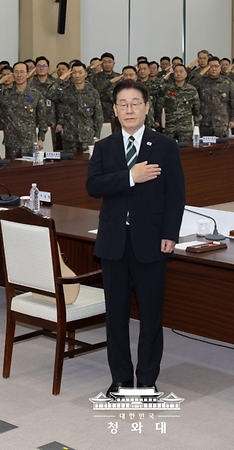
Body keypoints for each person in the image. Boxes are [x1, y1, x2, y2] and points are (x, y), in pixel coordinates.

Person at [86, 79, 186, 398]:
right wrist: (131, 177)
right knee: (115, 316)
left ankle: (146, 380)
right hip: (114, 242)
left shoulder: (165, 145)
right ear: (114, 111)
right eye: (123, 105)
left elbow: (176, 194)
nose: (130, 110)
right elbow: (94, 186)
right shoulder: (105, 147)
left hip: (152, 242)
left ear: (146, 107)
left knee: (150, 315)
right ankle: (119, 379)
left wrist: (170, 233)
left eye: (135, 103)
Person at [51, 61, 103, 152]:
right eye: (74, 73)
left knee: (89, 164)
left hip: (88, 137)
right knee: (70, 165)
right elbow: (50, 93)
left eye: (80, 72)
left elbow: (98, 115)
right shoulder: (64, 90)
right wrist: (61, 78)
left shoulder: (92, 92)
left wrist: (97, 136)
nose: (77, 76)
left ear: (86, 74)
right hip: (70, 138)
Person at [156, 63, 200, 141]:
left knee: (186, 151)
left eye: (181, 71)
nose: (178, 74)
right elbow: (156, 89)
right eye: (176, 72)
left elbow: (196, 110)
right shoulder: (167, 88)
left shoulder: (191, 90)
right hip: (170, 128)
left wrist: (196, 127)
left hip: (185, 129)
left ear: (186, 74)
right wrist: (164, 79)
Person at [196, 56, 234, 138]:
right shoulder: (201, 81)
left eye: (216, 66)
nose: (214, 69)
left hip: (221, 123)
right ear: (207, 68)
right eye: (211, 66)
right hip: (205, 123)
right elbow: (191, 84)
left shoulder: (227, 82)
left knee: (222, 147)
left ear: (220, 67)